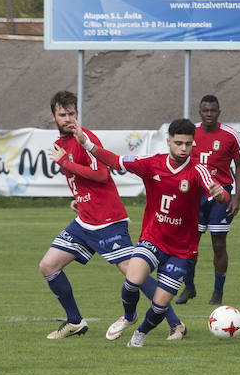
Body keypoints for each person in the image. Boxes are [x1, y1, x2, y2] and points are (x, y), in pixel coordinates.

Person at [40, 91, 186, 340]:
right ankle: (75, 321)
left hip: (108, 221)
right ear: (53, 116)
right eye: (62, 114)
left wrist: (65, 162)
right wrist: (80, 199)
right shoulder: (61, 144)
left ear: (77, 114)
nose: (68, 119)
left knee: (134, 274)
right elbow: (83, 179)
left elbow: (101, 174)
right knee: (48, 266)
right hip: (86, 221)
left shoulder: (85, 138)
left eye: (71, 114)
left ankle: (176, 323)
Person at [77, 118, 228, 347]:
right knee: (132, 281)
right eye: (178, 143)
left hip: (182, 250)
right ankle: (129, 316)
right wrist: (88, 145)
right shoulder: (151, 163)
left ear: (193, 144)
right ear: (168, 141)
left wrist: (219, 195)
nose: (183, 148)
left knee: (159, 305)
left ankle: (141, 332)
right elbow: (116, 161)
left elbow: (221, 194)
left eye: (188, 144)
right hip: (153, 239)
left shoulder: (198, 170)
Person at [176, 95, 240, 306]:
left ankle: (217, 292)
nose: (209, 114)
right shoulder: (190, 133)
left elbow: (239, 166)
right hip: (195, 196)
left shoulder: (230, 135)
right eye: (205, 110)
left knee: (218, 243)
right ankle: (189, 286)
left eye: (212, 111)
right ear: (200, 111)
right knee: (189, 245)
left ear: (218, 112)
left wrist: (237, 198)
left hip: (220, 195)